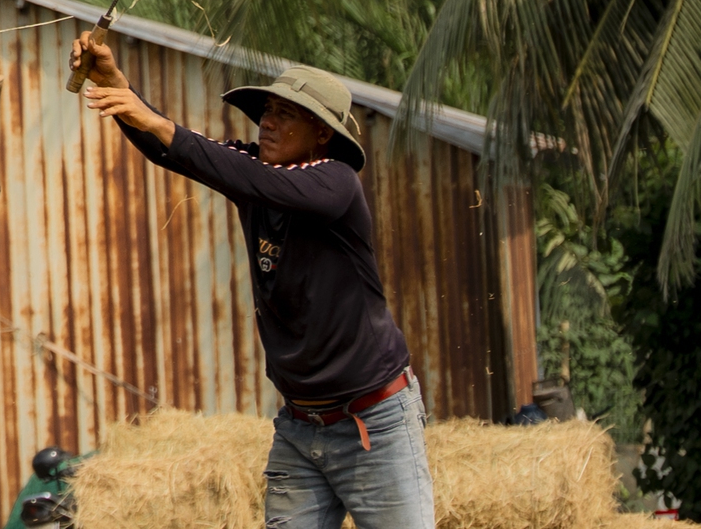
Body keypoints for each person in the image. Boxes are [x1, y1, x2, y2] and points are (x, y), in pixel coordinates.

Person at [70, 29, 434, 529]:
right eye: (266, 111)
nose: (267, 121)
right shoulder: (253, 173)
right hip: (301, 428)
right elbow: (174, 151)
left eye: (285, 114)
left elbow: (237, 173)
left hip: (373, 422)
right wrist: (116, 85)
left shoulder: (335, 183)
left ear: (321, 134)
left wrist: (153, 118)